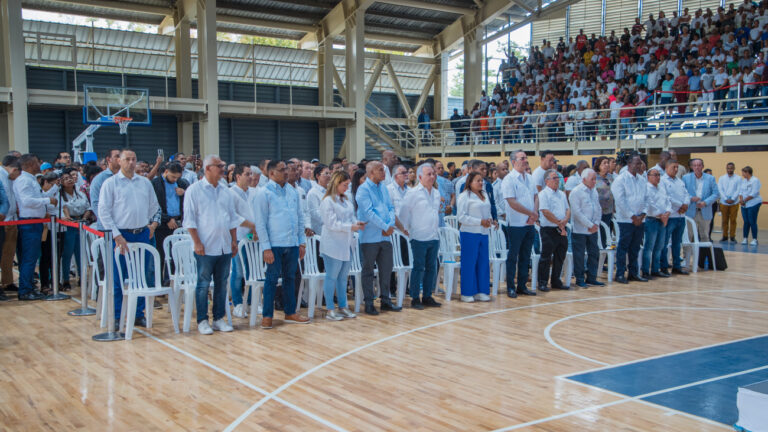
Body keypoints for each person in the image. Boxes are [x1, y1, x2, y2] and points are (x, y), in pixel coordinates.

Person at [98, 149, 160, 328]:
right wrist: (116, 234)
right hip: (121, 235)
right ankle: (117, 316)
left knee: (141, 275)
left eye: (134, 159)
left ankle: (138, 314)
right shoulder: (111, 183)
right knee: (119, 277)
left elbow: (153, 206)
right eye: (127, 159)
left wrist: (147, 224)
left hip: (141, 233)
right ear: (119, 161)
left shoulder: (144, 183)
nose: (131, 162)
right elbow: (104, 211)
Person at [183, 155, 241, 335]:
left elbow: (232, 218)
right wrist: (197, 242)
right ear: (208, 168)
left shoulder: (226, 191)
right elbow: (190, 220)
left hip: (224, 245)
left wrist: (233, 240)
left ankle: (218, 318)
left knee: (222, 284)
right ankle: (202, 320)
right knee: (203, 284)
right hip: (205, 246)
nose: (223, 168)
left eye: (224, 165)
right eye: (219, 166)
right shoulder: (194, 190)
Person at [254, 160, 310, 329]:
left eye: (287, 169)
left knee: (290, 279)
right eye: (282, 170)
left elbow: (299, 218)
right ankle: (267, 315)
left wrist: (301, 243)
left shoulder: (293, 192)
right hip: (274, 244)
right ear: (271, 173)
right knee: (271, 279)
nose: (286, 172)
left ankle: (290, 312)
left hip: (292, 243)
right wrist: (266, 248)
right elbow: (260, 223)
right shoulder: (263, 193)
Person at [355, 162, 402, 315]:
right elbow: (369, 213)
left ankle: (386, 300)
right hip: (369, 237)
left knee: (387, 270)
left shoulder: (383, 187)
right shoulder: (363, 190)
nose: (383, 172)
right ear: (371, 173)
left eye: (384, 170)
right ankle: (369, 303)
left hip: (385, 236)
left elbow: (390, 208)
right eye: (380, 170)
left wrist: (389, 226)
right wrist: (384, 227)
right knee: (368, 271)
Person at [319, 171, 365, 321]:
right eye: (344, 185)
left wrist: (356, 223)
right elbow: (331, 223)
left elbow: (351, 217)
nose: (347, 187)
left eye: (348, 185)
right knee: (331, 277)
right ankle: (330, 309)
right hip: (332, 244)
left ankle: (343, 306)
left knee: (343, 278)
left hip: (346, 244)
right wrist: (350, 226)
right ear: (337, 184)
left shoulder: (346, 200)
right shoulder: (327, 201)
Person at [399, 163, 442, 310]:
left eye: (433, 174)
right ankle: (415, 297)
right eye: (428, 174)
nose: (432, 176)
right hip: (418, 236)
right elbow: (404, 213)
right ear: (419, 177)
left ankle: (428, 296)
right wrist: (405, 229)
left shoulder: (436, 193)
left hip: (433, 236)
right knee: (418, 268)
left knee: (432, 267)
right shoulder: (413, 193)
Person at [501, 150, 538, 297]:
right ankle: (511, 286)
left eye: (526, 158)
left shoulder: (529, 177)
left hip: (530, 223)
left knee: (526, 255)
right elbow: (512, 202)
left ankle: (522, 285)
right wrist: (530, 214)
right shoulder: (509, 179)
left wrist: (534, 215)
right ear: (513, 161)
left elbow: (536, 196)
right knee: (513, 256)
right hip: (516, 224)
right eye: (522, 158)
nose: (525, 160)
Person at [457, 171, 494, 302]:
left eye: (481, 180)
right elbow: (461, 217)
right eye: (477, 180)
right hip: (469, 233)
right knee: (469, 262)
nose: (481, 182)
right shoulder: (464, 196)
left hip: (483, 232)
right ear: (470, 182)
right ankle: (467, 292)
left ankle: (482, 290)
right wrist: (479, 222)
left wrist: (489, 220)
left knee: (483, 262)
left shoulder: (484, 194)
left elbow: (488, 211)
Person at [227, 164, 258, 319]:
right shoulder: (231, 193)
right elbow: (233, 216)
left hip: (254, 237)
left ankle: (252, 302)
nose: (251, 177)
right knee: (238, 271)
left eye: (251, 174)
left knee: (253, 271)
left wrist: (257, 228)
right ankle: (238, 304)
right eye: (247, 174)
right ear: (238, 176)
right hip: (239, 236)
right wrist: (252, 225)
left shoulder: (254, 192)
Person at [611, 154, 647, 284]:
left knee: (635, 248)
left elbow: (647, 198)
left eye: (640, 164)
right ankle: (620, 273)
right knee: (623, 247)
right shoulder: (621, 180)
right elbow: (620, 201)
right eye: (636, 163)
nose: (638, 166)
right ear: (629, 164)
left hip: (640, 219)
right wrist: (632, 216)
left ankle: (633, 273)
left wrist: (642, 214)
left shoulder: (642, 180)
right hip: (626, 220)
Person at [150, 162, 188, 285]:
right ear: (165, 172)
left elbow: (193, 201)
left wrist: (185, 193)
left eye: (177, 177)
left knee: (175, 255)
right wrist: (167, 219)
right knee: (160, 255)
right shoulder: (155, 184)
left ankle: (170, 281)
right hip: (161, 224)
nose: (175, 179)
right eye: (172, 176)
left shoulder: (182, 183)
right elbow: (153, 206)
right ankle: (158, 283)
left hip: (178, 222)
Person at [569, 169, 604, 288]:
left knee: (594, 253)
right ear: (583, 179)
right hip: (580, 229)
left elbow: (598, 208)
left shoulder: (593, 191)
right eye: (592, 179)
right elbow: (577, 213)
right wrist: (590, 225)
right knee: (579, 255)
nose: (595, 181)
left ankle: (592, 277)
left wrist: (596, 224)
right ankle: (579, 278)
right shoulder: (576, 192)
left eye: (595, 179)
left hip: (593, 229)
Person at [537, 169, 571, 291]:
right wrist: (558, 222)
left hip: (561, 228)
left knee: (560, 255)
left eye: (558, 178)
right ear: (547, 181)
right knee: (546, 257)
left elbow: (568, 209)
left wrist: (564, 221)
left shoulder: (561, 194)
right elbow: (545, 211)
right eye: (554, 178)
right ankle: (542, 282)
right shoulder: (543, 194)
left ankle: (556, 281)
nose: (557, 180)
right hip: (548, 230)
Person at [57, 167, 89, 290]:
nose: (69, 180)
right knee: (67, 253)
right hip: (68, 225)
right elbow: (63, 209)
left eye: (70, 178)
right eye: (65, 179)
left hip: (81, 223)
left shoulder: (80, 193)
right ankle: (65, 279)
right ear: (61, 182)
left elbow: (88, 207)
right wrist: (69, 219)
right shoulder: (61, 196)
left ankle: (81, 277)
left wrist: (84, 218)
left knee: (80, 252)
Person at [660, 160, 690, 275]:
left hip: (681, 216)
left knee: (677, 243)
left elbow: (686, 194)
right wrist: (680, 205)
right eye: (674, 167)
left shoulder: (679, 181)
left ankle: (677, 266)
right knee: (665, 242)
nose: (676, 170)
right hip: (671, 215)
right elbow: (667, 197)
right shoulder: (662, 181)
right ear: (667, 168)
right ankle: (663, 266)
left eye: (677, 167)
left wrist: (686, 204)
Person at [641, 168, 671, 279]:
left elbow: (668, 201)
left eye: (659, 175)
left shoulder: (661, 188)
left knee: (659, 246)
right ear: (648, 176)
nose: (658, 177)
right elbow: (650, 204)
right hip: (652, 219)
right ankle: (645, 271)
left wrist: (667, 213)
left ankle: (655, 269)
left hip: (662, 220)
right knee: (649, 247)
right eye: (655, 175)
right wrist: (661, 215)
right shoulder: (646, 188)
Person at [683, 158, 719, 242]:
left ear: (702, 166)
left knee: (705, 236)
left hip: (705, 210)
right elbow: (682, 192)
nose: (697, 167)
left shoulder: (710, 178)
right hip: (690, 211)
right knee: (688, 236)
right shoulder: (685, 178)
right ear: (692, 167)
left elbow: (716, 193)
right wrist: (691, 198)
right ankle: (687, 255)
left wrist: (705, 202)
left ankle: (703, 255)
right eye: (695, 165)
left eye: (699, 165)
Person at [0, 154, 20, 297]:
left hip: (11, 219)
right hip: (4, 220)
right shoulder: (1, 175)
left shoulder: (8, 177)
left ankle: (7, 281)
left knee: (8, 254)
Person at [89, 149, 121, 226]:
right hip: (107, 226)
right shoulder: (99, 179)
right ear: (108, 159)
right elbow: (95, 203)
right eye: (117, 156)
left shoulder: (126, 177)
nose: (120, 159)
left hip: (125, 224)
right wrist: (106, 221)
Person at [718, 162, 741, 243]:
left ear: (734, 168)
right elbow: (720, 189)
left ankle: (732, 236)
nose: (730, 170)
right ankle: (724, 236)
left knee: (733, 220)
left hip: (734, 203)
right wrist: (725, 198)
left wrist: (733, 198)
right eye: (728, 168)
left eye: (731, 168)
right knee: (724, 220)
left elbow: (739, 189)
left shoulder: (738, 178)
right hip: (724, 202)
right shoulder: (722, 178)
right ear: (726, 168)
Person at [739, 166, 761, 245]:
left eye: (743, 173)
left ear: (747, 172)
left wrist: (744, 200)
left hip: (753, 203)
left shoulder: (755, 180)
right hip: (744, 204)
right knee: (746, 221)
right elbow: (740, 191)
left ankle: (755, 239)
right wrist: (741, 199)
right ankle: (745, 238)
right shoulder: (744, 181)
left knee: (752, 221)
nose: (742, 174)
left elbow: (754, 193)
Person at [306, 164, 330, 234]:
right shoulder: (313, 193)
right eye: (326, 173)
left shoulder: (332, 191)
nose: (329, 176)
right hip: (320, 232)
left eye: (329, 173)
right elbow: (315, 213)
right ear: (317, 176)